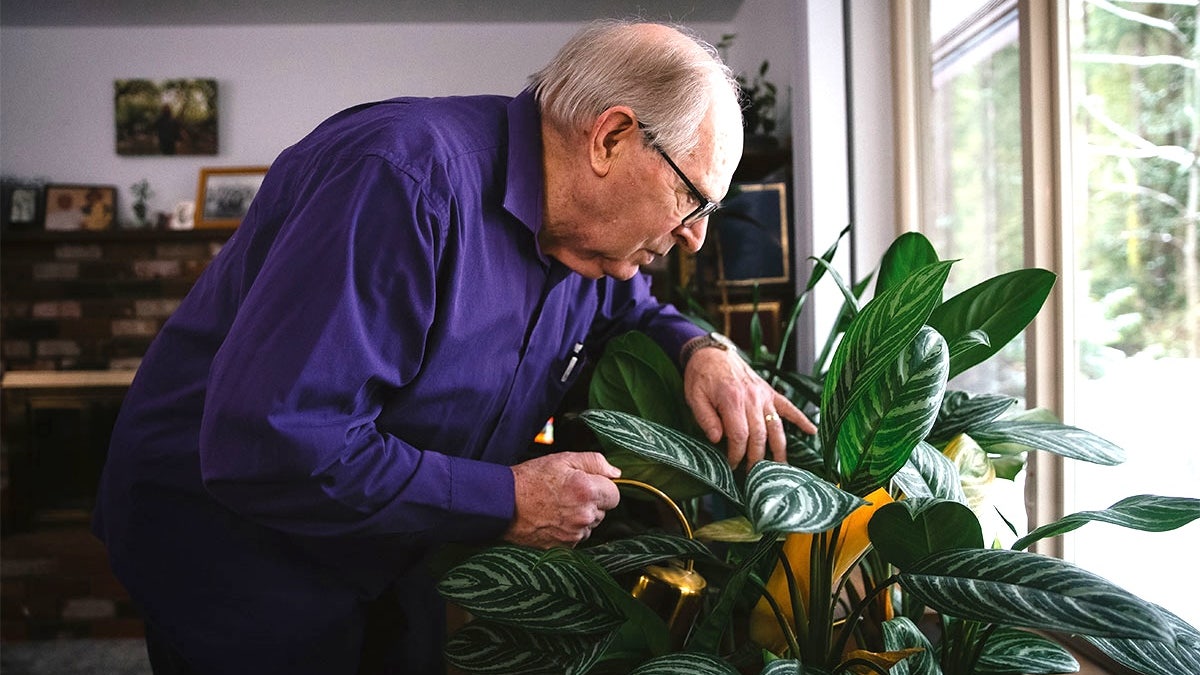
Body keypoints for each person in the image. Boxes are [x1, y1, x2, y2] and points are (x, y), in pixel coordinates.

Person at [93, 19, 815, 675]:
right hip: (237, 543)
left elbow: (631, 307)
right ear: (611, 138)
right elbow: (274, 443)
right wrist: (507, 497)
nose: (696, 235)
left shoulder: (589, 245)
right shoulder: (402, 181)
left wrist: (703, 348)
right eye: (695, 198)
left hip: (393, 537)